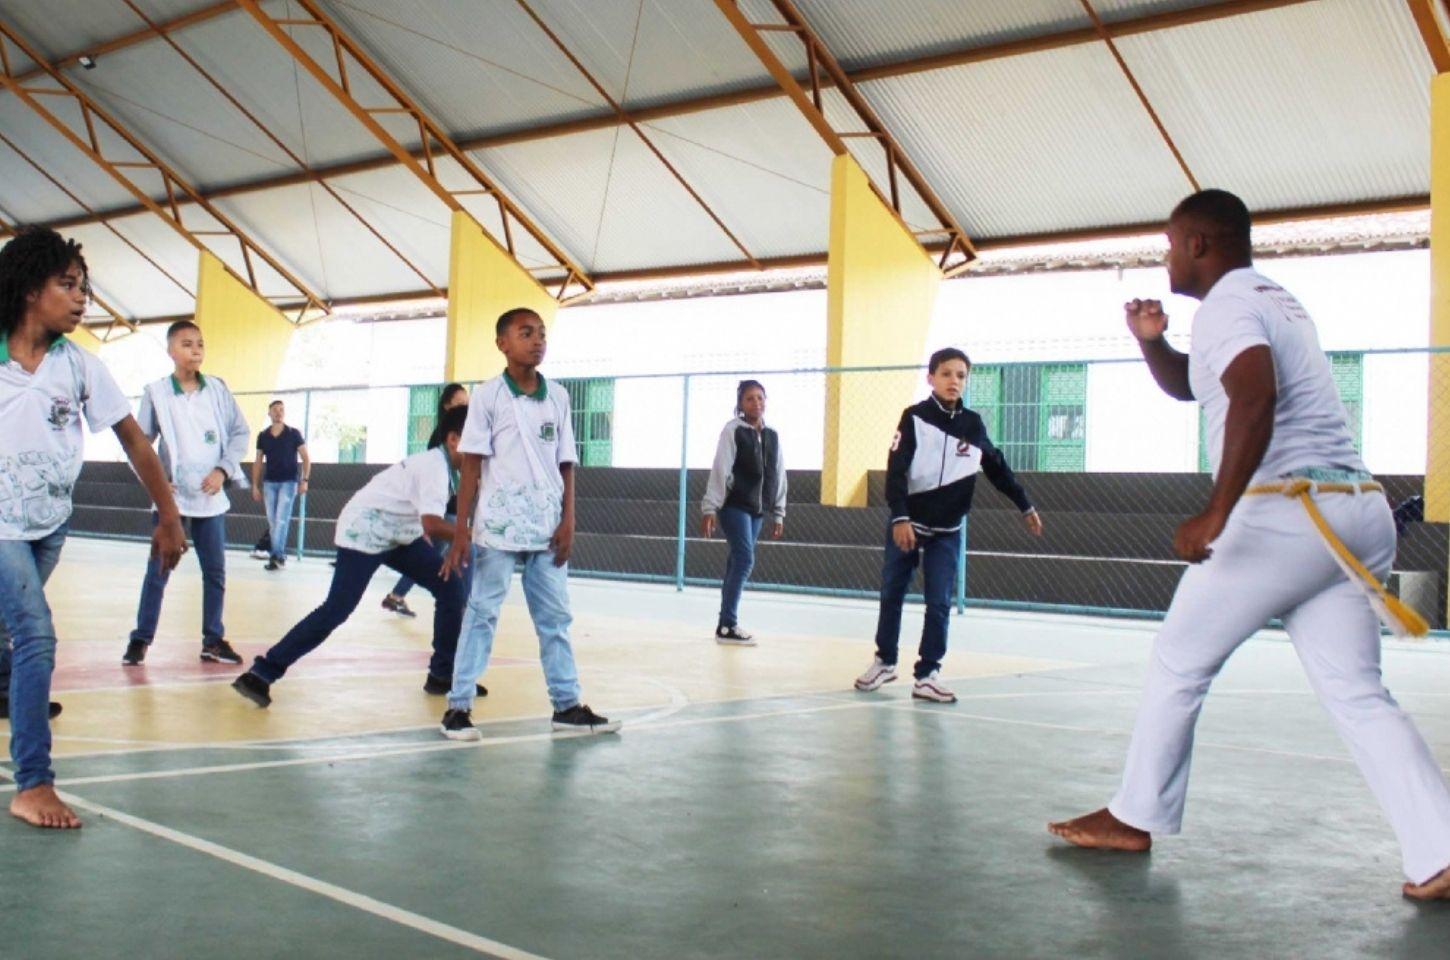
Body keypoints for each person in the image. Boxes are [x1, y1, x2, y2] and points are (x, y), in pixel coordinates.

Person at [1046, 189, 1450, 903]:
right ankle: (1440, 851)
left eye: (1171, 243)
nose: (1166, 255)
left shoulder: (1231, 305)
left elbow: (1255, 398)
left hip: (1284, 516)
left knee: (1178, 661)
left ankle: (1133, 817)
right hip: (1355, 511)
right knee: (1359, 693)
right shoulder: (1271, 299)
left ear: (1200, 243)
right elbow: (1206, 391)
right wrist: (1151, 342)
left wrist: (1215, 512)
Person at [0, 227, 187, 828]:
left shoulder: (79, 366)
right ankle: (33, 783)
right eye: (69, 285)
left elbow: (135, 441)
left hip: (48, 526)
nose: (83, 299)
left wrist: (169, 513)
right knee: (34, 635)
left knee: (13, 630)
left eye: (84, 287)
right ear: (31, 289)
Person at [439, 307, 617, 739]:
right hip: (498, 528)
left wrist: (569, 518)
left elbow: (567, 463)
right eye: (526, 333)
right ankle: (457, 707)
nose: (537, 340)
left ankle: (567, 705)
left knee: (555, 618)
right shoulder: (487, 396)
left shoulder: (558, 395)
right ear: (502, 343)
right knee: (481, 612)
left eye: (541, 333)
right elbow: (472, 465)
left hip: (547, 527)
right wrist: (462, 530)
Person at [232, 406, 480, 706]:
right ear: (454, 439)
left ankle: (442, 674)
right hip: (363, 530)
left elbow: (424, 520)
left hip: (398, 533)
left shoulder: (449, 468)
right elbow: (432, 523)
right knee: (337, 609)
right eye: (477, 438)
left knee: (450, 586)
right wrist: (474, 535)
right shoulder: (435, 468)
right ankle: (261, 673)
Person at [853, 347, 1044, 703]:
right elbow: (895, 472)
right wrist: (900, 516)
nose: (954, 381)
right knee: (892, 592)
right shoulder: (913, 418)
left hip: (947, 530)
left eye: (960, 375)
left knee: (939, 601)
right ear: (931, 378)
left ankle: (928, 674)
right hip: (908, 524)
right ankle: (885, 660)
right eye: (946, 374)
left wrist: (1024, 504)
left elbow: (997, 467)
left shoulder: (973, 425)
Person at [122, 319, 249, 667]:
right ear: (171, 351)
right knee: (158, 571)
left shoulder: (219, 390)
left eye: (200, 344)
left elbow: (240, 433)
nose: (196, 350)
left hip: (210, 501)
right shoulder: (157, 392)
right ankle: (141, 639)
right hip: (172, 503)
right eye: (187, 344)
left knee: (216, 572)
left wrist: (222, 470)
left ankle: (213, 639)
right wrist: (158, 481)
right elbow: (138, 443)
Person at [700, 379, 785, 645]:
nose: (756, 403)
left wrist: (779, 511)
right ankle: (729, 624)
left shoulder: (772, 435)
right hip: (733, 506)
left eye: (760, 398)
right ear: (740, 404)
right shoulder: (733, 431)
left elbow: (779, 474)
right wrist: (709, 507)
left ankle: (724, 624)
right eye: (749, 398)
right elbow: (721, 468)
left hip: (757, 511)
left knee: (736, 561)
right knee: (745, 559)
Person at [382, 382, 468, 617]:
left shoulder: (465, 435)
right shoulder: (442, 439)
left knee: (434, 557)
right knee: (435, 557)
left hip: (447, 508)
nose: (465, 407)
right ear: (446, 405)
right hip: (442, 509)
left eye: (467, 403)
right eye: (460, 403)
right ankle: (460, 605)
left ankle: (398, 595)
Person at [250, 399, 309, 572]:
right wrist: (255, 485)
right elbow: (258, 461)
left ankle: (277, 555)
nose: (278, 412)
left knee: (281, 520)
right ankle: (278, 554)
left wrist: (304, 480)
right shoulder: (263, 436)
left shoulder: (293, 433)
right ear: (269, 413)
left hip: (289, 482)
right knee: (273, 521)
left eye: (281, 409)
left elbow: (306, 458)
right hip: (270, 483)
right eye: (275, 409)